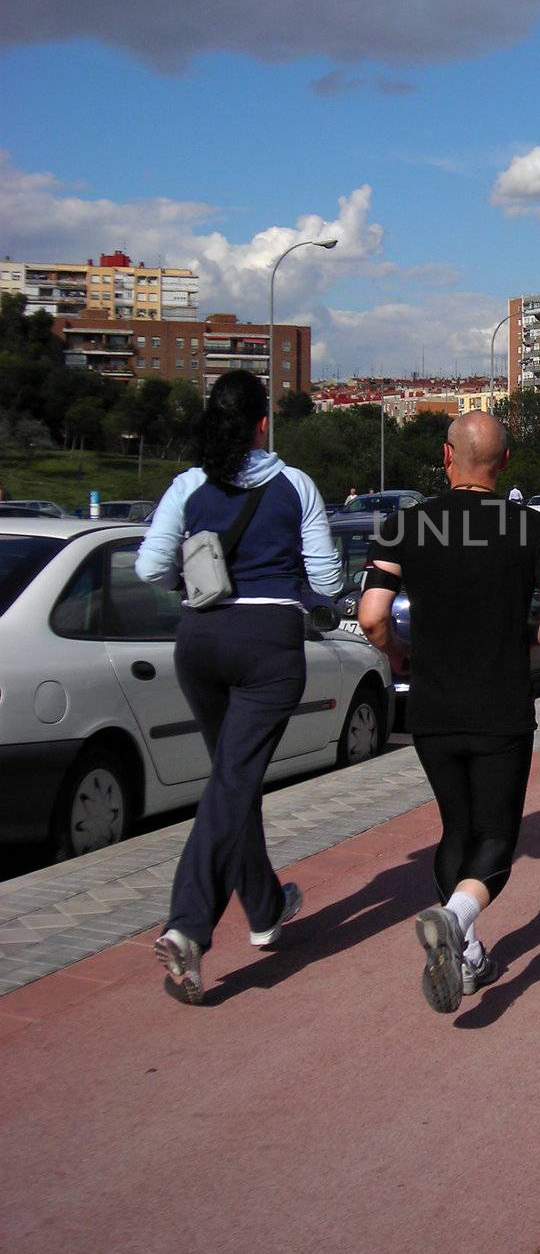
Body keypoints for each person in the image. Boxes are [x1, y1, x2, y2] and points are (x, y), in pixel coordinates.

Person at [358, 411, 540, 1013]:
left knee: (457, 828)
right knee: (497, 838)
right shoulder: (528, 528)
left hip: (431, 706)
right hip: (501, 704)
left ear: (446, 457)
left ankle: (469, 953)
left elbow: (372, 616)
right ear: (504, 462)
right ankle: (457, 919)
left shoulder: (406, 525)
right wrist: (523, 641)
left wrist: (399, 653)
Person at [135, 369, 342, 1004]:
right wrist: (305, 595)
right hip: (268, 650)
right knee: (233, 781)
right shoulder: (294, 484)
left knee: (233, 777)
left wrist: (194, 584)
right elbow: (329, 583)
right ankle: (188, 926)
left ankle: (265, 906)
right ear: (261, 424)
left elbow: (149, 566)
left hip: (199, 644)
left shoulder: (189, 484)